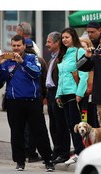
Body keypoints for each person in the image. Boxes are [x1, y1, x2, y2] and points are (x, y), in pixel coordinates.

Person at [0, 34, 54, 171]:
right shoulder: (7, 61)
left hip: (32, 101)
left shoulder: (32, 58)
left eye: (19, 45)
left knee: (39, 131)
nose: (16, 48)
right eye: (14, 46)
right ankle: (19, 162)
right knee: (16, 132)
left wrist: (22, 62)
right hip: (14, 102)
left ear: (24, 46)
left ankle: (48, 160)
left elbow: (36, 72)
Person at [56, 27, 88, 165]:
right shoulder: (63, 55)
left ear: (73, 37)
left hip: (74, 94)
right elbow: (61, 76)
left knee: (76, 124)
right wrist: (58, 94)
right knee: (70, 125)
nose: (64, 40)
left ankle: (80, 152)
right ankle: (77, 151)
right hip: (63, 94)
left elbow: (84, 74)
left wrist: (79, 94)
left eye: (67, 37)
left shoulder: (79, 52)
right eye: (63, 38)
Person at [45, 31, 71, 164]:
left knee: (61, 123)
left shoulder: (62, 57)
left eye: (49, 42)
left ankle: (64, 153)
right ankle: (56, 151)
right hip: (50, 93)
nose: (46, 44)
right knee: (53, 124)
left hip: (58, 92)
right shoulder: (53, 57)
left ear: (57, 43)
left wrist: (58, 94)